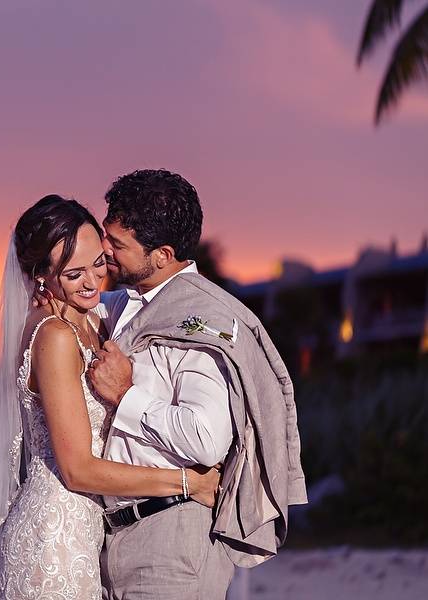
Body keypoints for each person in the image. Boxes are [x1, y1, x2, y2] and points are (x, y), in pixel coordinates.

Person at [0, 194, 220, 599]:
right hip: (55, 536)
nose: (92, 282)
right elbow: (77, 470)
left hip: (87, 531)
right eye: (73, 274)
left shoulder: (93, 319)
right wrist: (187, 482)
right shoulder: (54, 336)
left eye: (99, 263)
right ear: (41, 278)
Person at [86, 169, 307, 599]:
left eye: (118, 244)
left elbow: (206, 441)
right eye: (104, 235)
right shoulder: (121, 303)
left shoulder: (204, 325)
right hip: (113, 534)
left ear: (163, 255)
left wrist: (126, 396)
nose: (103, 251)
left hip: (173, 540)